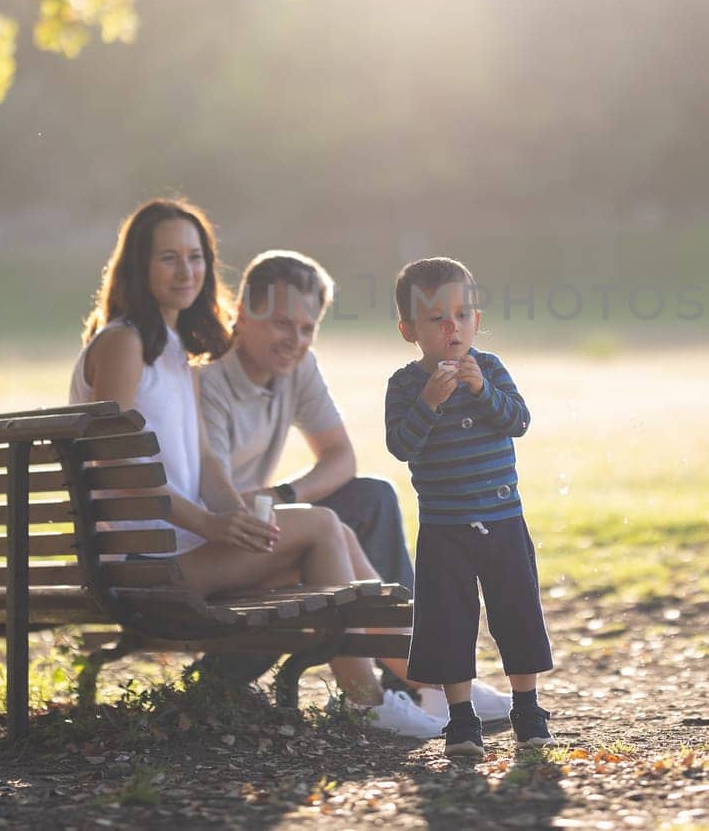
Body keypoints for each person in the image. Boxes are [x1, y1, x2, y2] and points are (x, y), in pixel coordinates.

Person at [68, 198, 444, 739]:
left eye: (196, 257)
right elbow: (111, 469)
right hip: (140, 563)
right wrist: (209, 524)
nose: (186, 271)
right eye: (168, 257)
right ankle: (375, 696)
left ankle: (425, 682)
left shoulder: (175, 352)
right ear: (139, 266)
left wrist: (237, 517)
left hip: (174, 550)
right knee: (320, 526)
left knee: (329, 527)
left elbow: (203, 463)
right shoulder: (125, 343)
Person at [198, 249, 512, 721]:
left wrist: (283, 496)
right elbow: (215, 496)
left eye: (308, 328)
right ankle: (423, 679)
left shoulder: (297, 368)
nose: (296, 340)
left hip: (264, 516)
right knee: (328, 528)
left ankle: (417, 674)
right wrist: (274, 508)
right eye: (283, 324)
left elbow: (340, 457)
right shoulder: (209, 385)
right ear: (242, 314)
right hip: (225, 536)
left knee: (372, 497)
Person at [385, 256, 557, 759]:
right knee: (448, 622)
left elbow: (519, 421)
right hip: (444, 527)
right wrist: (429, 405)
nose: (451, 327)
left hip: (502, 518)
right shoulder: (404, 385)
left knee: (516, 612)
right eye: (436, 319)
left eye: (461, 315)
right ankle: (461, 720)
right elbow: (401, 445)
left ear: (476, 321)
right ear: (409, 330)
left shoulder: (492, 369)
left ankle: (528, 709)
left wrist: (482, 391)